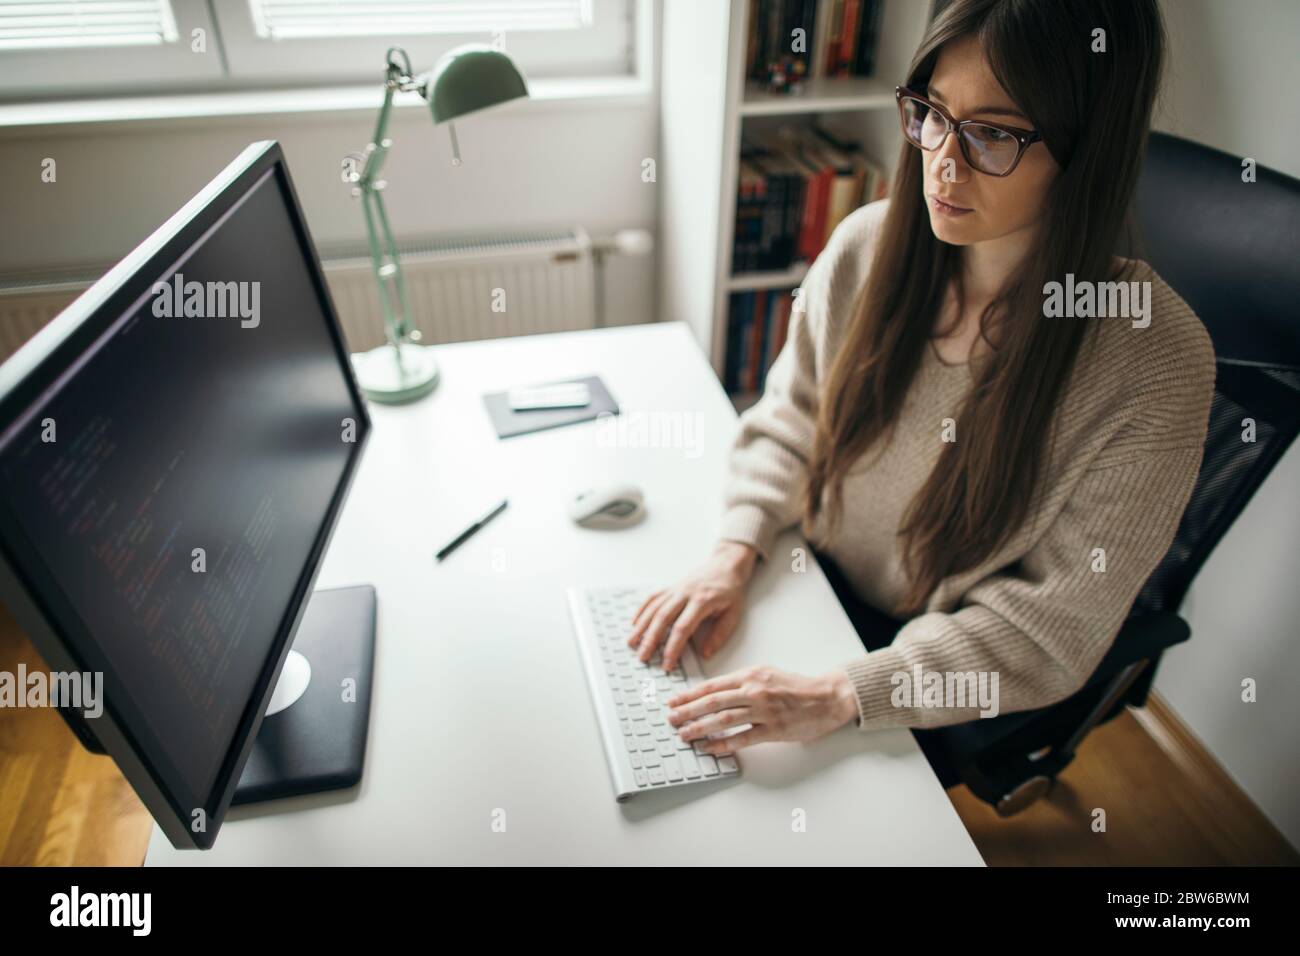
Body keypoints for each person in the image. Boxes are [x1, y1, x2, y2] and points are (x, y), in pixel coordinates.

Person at [629, 0, 1214, 757]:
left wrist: (845, 693)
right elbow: (791, 419)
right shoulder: (866, 247)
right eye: (932, 113)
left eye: (993, 134)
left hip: (934, 674)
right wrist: (731, 553)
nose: (941, 160)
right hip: (808, 582)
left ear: (1086, 146)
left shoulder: (1152, 360)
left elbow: (1048, 629)